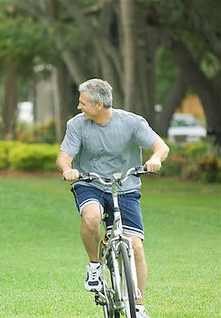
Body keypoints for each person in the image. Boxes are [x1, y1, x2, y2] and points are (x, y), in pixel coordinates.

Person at [56, 79, 169, 318]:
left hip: (125, 186)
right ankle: (95, 266)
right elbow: (64, 157)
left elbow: (161, 146)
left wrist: (156, 158)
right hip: (90, 183)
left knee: (136, 247)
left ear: (99, 104)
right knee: (92, 216)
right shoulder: (77, 125)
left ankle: (137, 307)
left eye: (83, 103)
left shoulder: (132, 122)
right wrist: (68, 169)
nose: (79, 107)